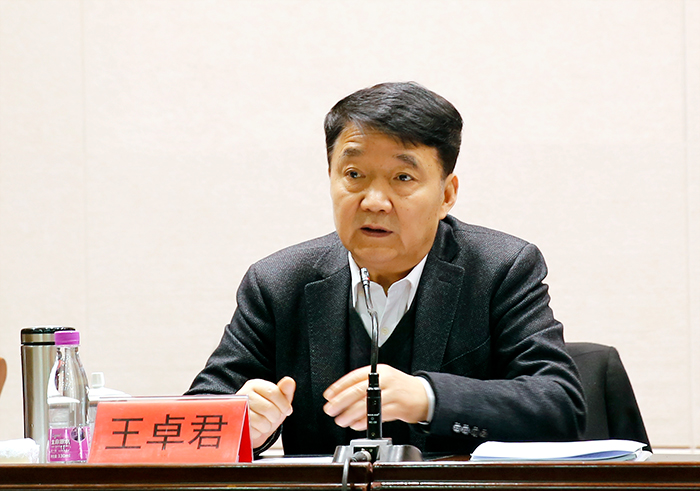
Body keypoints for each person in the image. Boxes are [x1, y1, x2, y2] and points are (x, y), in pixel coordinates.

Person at [186, 82, 586, 457]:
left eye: (403, 178)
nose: (374, 201)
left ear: (446, 195)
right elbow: (193, 421)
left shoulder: (500, 269)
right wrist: (240, 424)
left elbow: (559, 406)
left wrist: (427, 398)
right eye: (354, 175)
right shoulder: (278, 282)